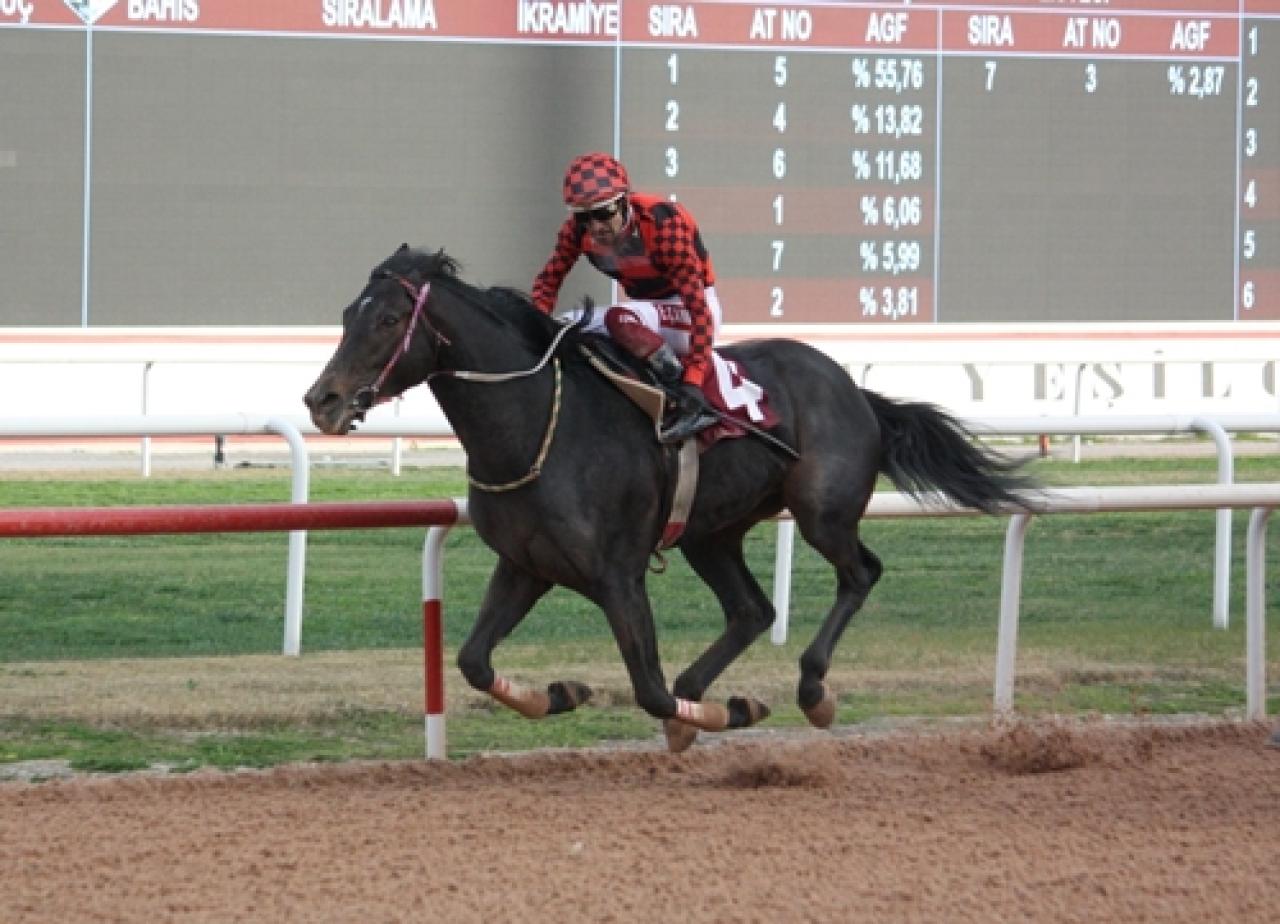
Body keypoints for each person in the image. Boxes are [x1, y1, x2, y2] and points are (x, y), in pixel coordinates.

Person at [531, 151, 721, 444]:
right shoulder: (574, 232)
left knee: (620, 317)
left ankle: (677, 398)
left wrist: (694, 380)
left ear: (624, 202)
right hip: (645, 312)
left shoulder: (664, 224)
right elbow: (547, 283)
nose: (595, 226)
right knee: (562, 327)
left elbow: (698, 309)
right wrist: (533, 330)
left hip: (690, 307)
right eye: (584, 216)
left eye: (604, 212)